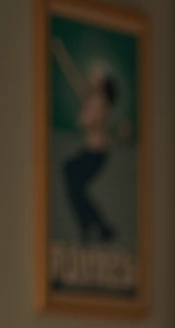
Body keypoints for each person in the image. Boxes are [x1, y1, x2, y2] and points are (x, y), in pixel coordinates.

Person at [52, 37, 118, 243]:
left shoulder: (99, 102)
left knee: (76, 187)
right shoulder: (94, 99)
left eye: (96, 74)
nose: (92, 75)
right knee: (74, 183)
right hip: (92, 152)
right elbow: (75, 80)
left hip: (96, 154)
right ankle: (94, 226)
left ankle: (95, 225)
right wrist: (60, 54)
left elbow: (85, 120)